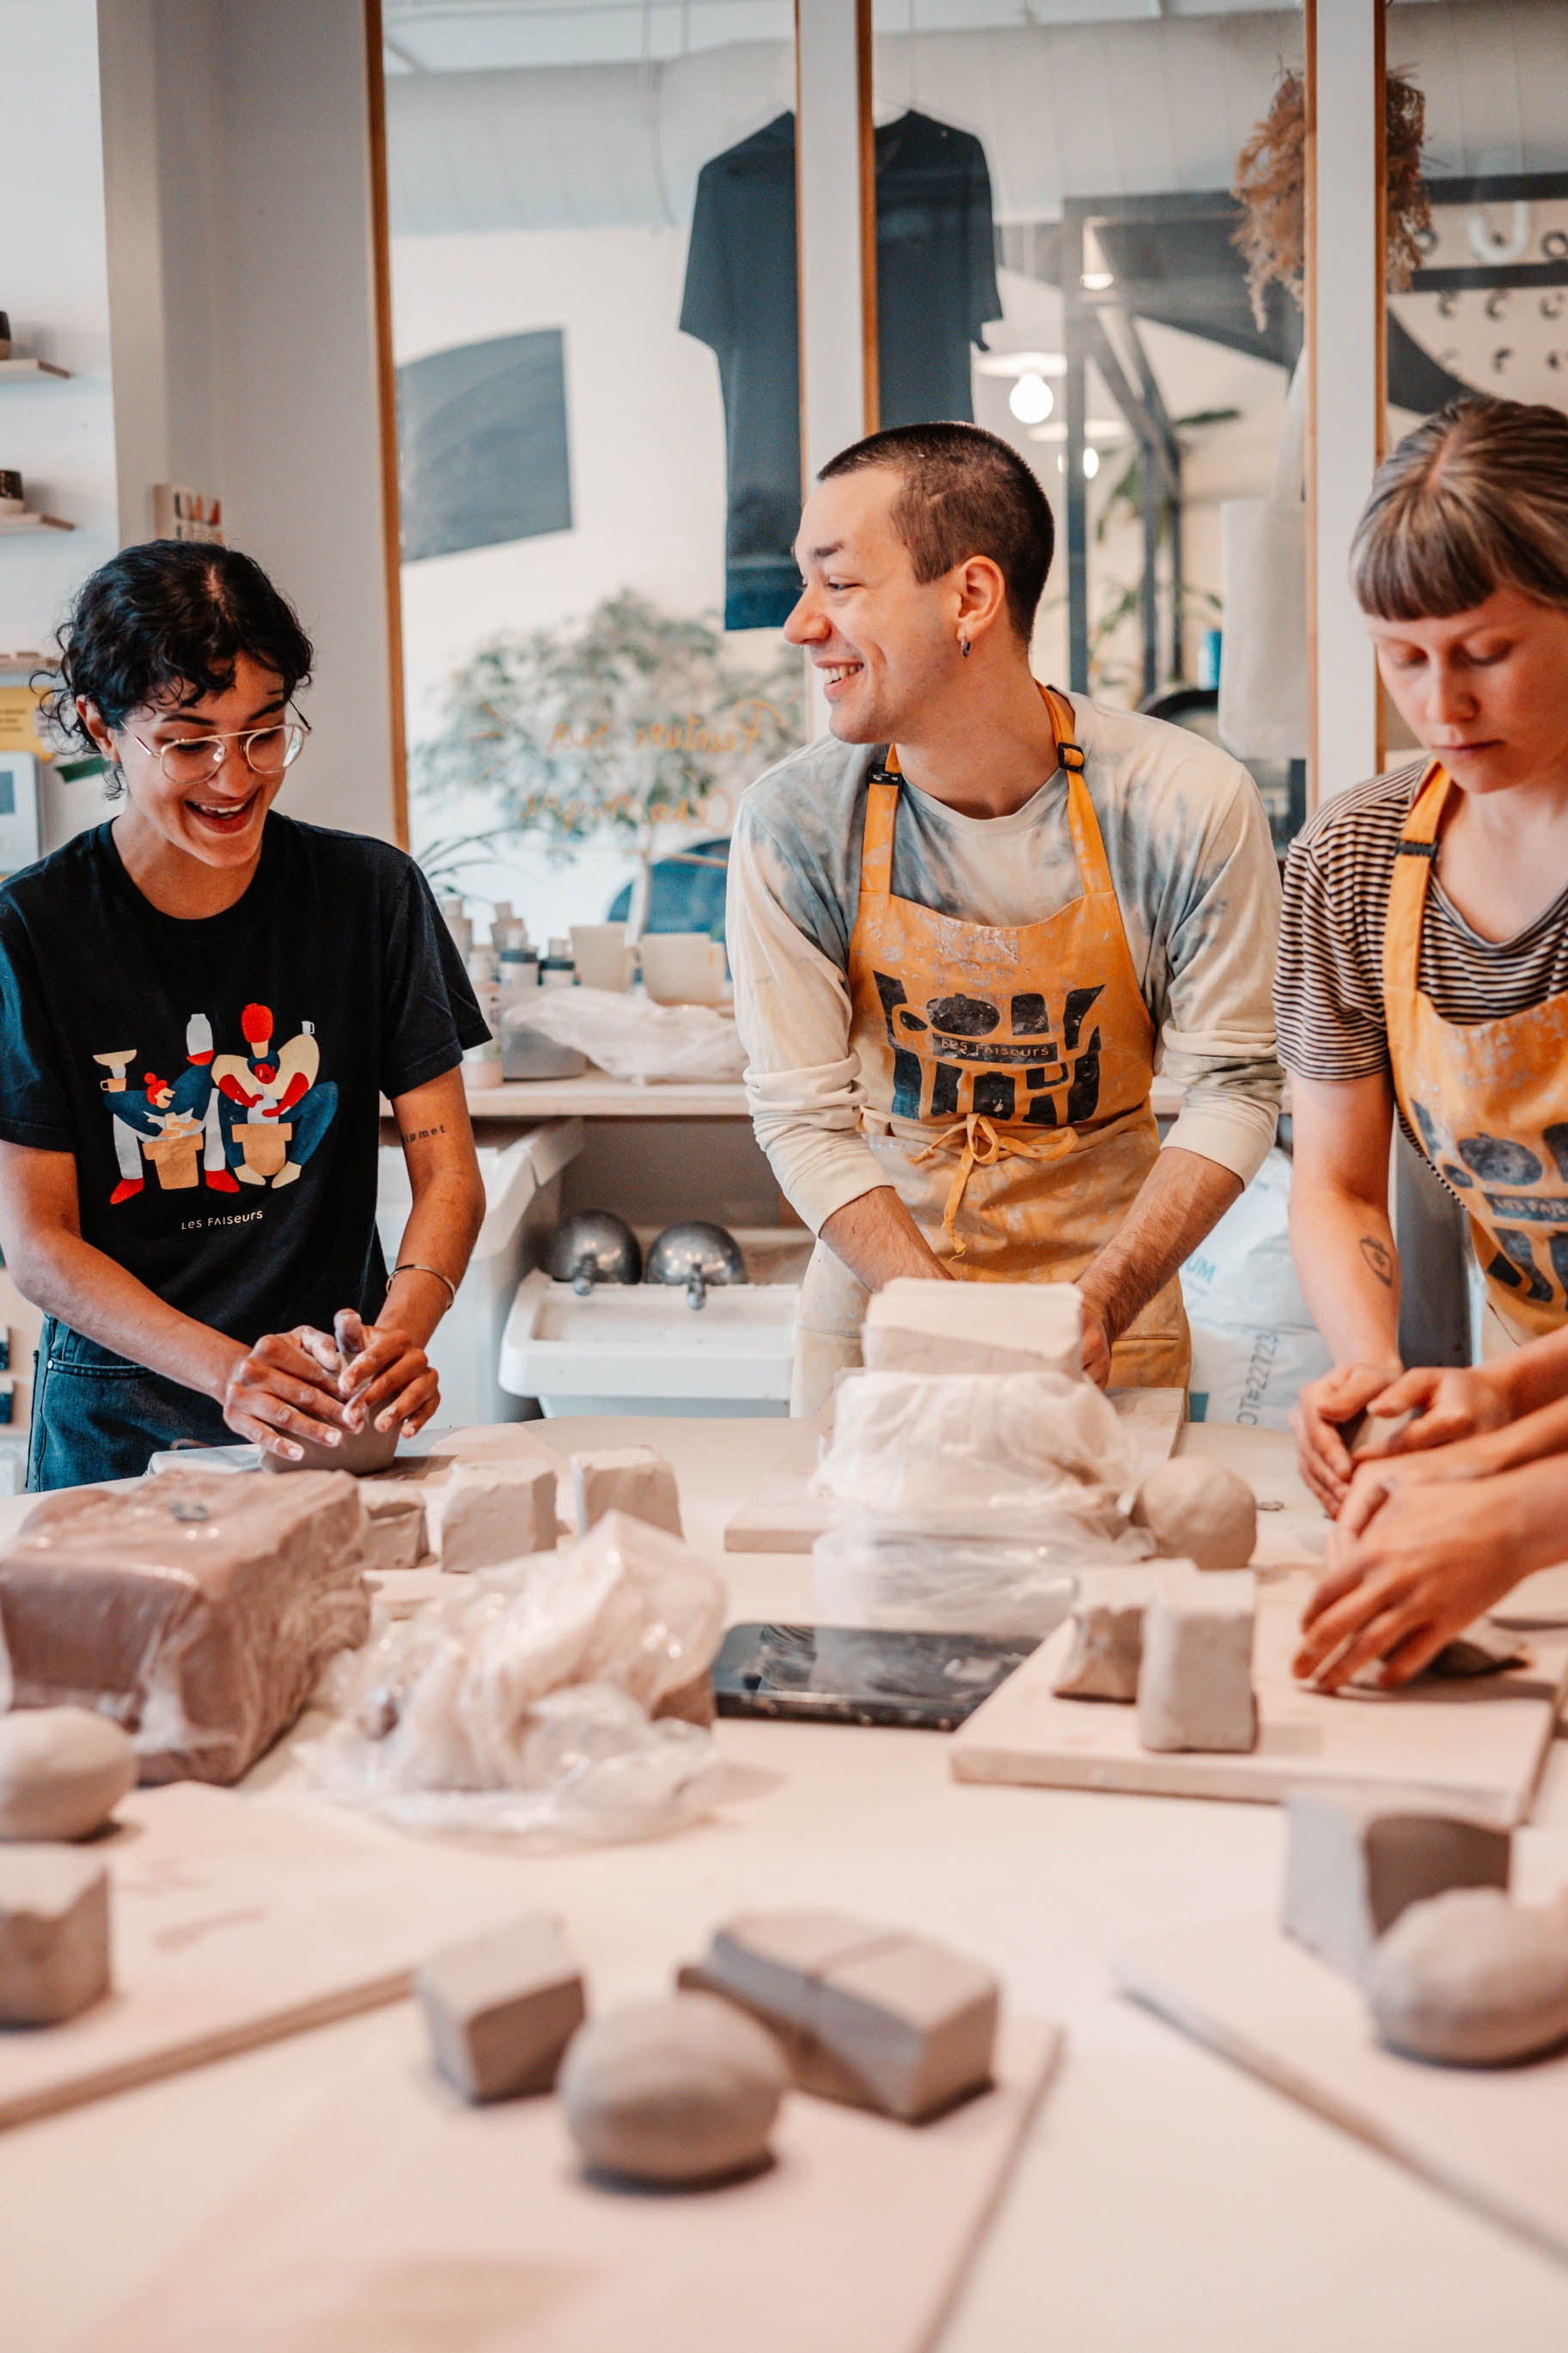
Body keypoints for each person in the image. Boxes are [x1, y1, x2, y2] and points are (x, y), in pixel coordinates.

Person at [725, 422, 1284, 1411]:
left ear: (970, 597)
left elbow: (1236, 1089)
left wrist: (1099, 1304)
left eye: (839, 583)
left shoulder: (1183, 803)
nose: (801, 625)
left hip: (1113, 1317)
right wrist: (944, 1326)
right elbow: (801, 1116)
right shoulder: (796, 822)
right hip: (879, 1321)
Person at [0, 541, 489, 1488]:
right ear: (102, 728)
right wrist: (228, 1373)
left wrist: (400, 1332)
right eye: (188, 742)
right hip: (117, 1420)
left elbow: (449, 1170)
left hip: (324, 1404)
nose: (234, 777)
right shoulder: (32, 929)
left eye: (263, 732)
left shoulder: (370, 895)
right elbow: (39, 1243)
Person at [1278, 395, 1568, 1518]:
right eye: (1401, 657)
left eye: (1485, 654)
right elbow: (1338, 1181)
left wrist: (1504, 1409)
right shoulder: (1353, 864)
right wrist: (1374, 1374)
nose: (1439, 705)